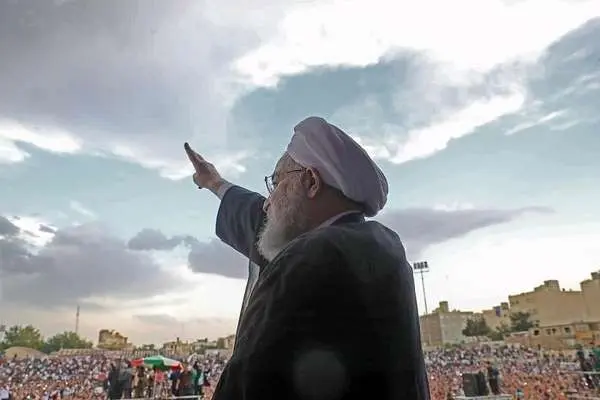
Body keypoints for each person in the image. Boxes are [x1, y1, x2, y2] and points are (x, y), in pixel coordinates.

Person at [184, 116, 430, 400]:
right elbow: (266, 222)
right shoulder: (377, 246)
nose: (267, 201)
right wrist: (215, 183)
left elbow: (247, 387)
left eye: (275, 183)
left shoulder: (309, 259)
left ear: (311, 182)